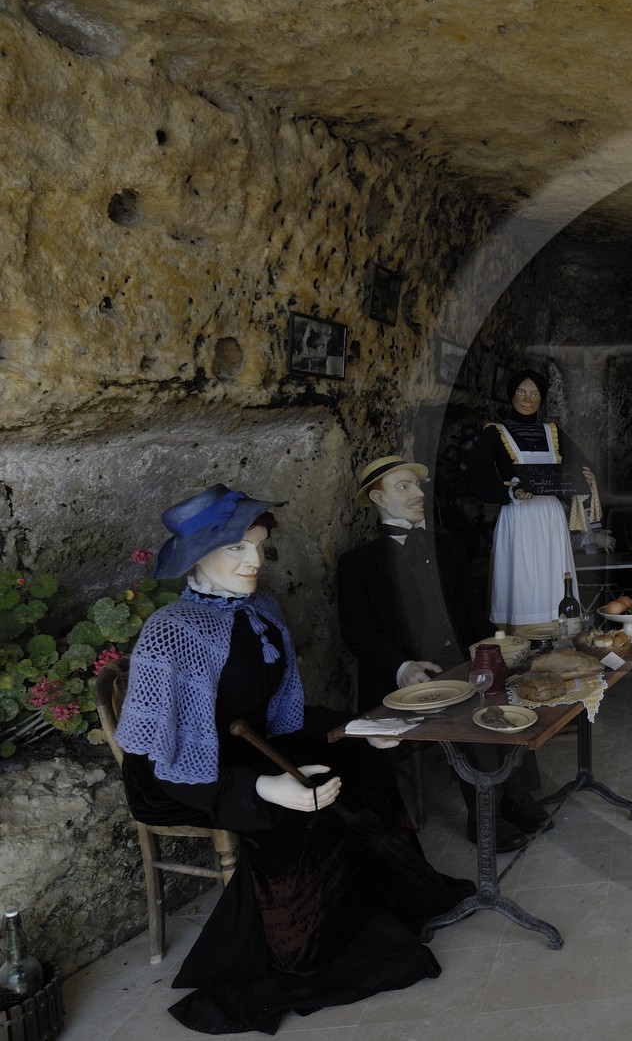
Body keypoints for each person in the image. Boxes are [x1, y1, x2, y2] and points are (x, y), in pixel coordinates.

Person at [114, 484, 472, 1035]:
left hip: (247, 743)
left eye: (257, 546)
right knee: (295, 814)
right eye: (237, 549)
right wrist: (264, 788)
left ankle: (383, 902)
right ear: (196, 558)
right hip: (180, 772)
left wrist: (353, 730)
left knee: (361, 768)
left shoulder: (260, 607)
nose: (254, 561)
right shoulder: (171, 632)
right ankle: (301, 952)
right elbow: (172, 755)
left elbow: (281, 712)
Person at [337, 455, 550, 852]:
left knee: (507, 693)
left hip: (461, 659)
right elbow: (358, 633)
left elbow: (470, 611)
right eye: (404, 487)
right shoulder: (358, 563)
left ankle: (518, 797)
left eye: (418, 486)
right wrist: (402, 667)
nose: (418, 494)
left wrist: (494, 650)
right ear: (378, 497)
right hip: (407, 675)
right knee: (473, 706)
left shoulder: (448, 546)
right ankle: (483, 816)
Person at [466, 369, 598, 629]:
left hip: (550, 516)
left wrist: (582, 478)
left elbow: (581, 466)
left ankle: (558, 634)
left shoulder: (554, 432)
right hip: (518, 515)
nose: (528, 399)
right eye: (522, 392)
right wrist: (509, 492)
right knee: (522, 579)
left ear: (542, 399)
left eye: (535, 394)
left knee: (553, 576)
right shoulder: (495, 432)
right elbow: (476, 477)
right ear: (511, 395)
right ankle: (521, 636)